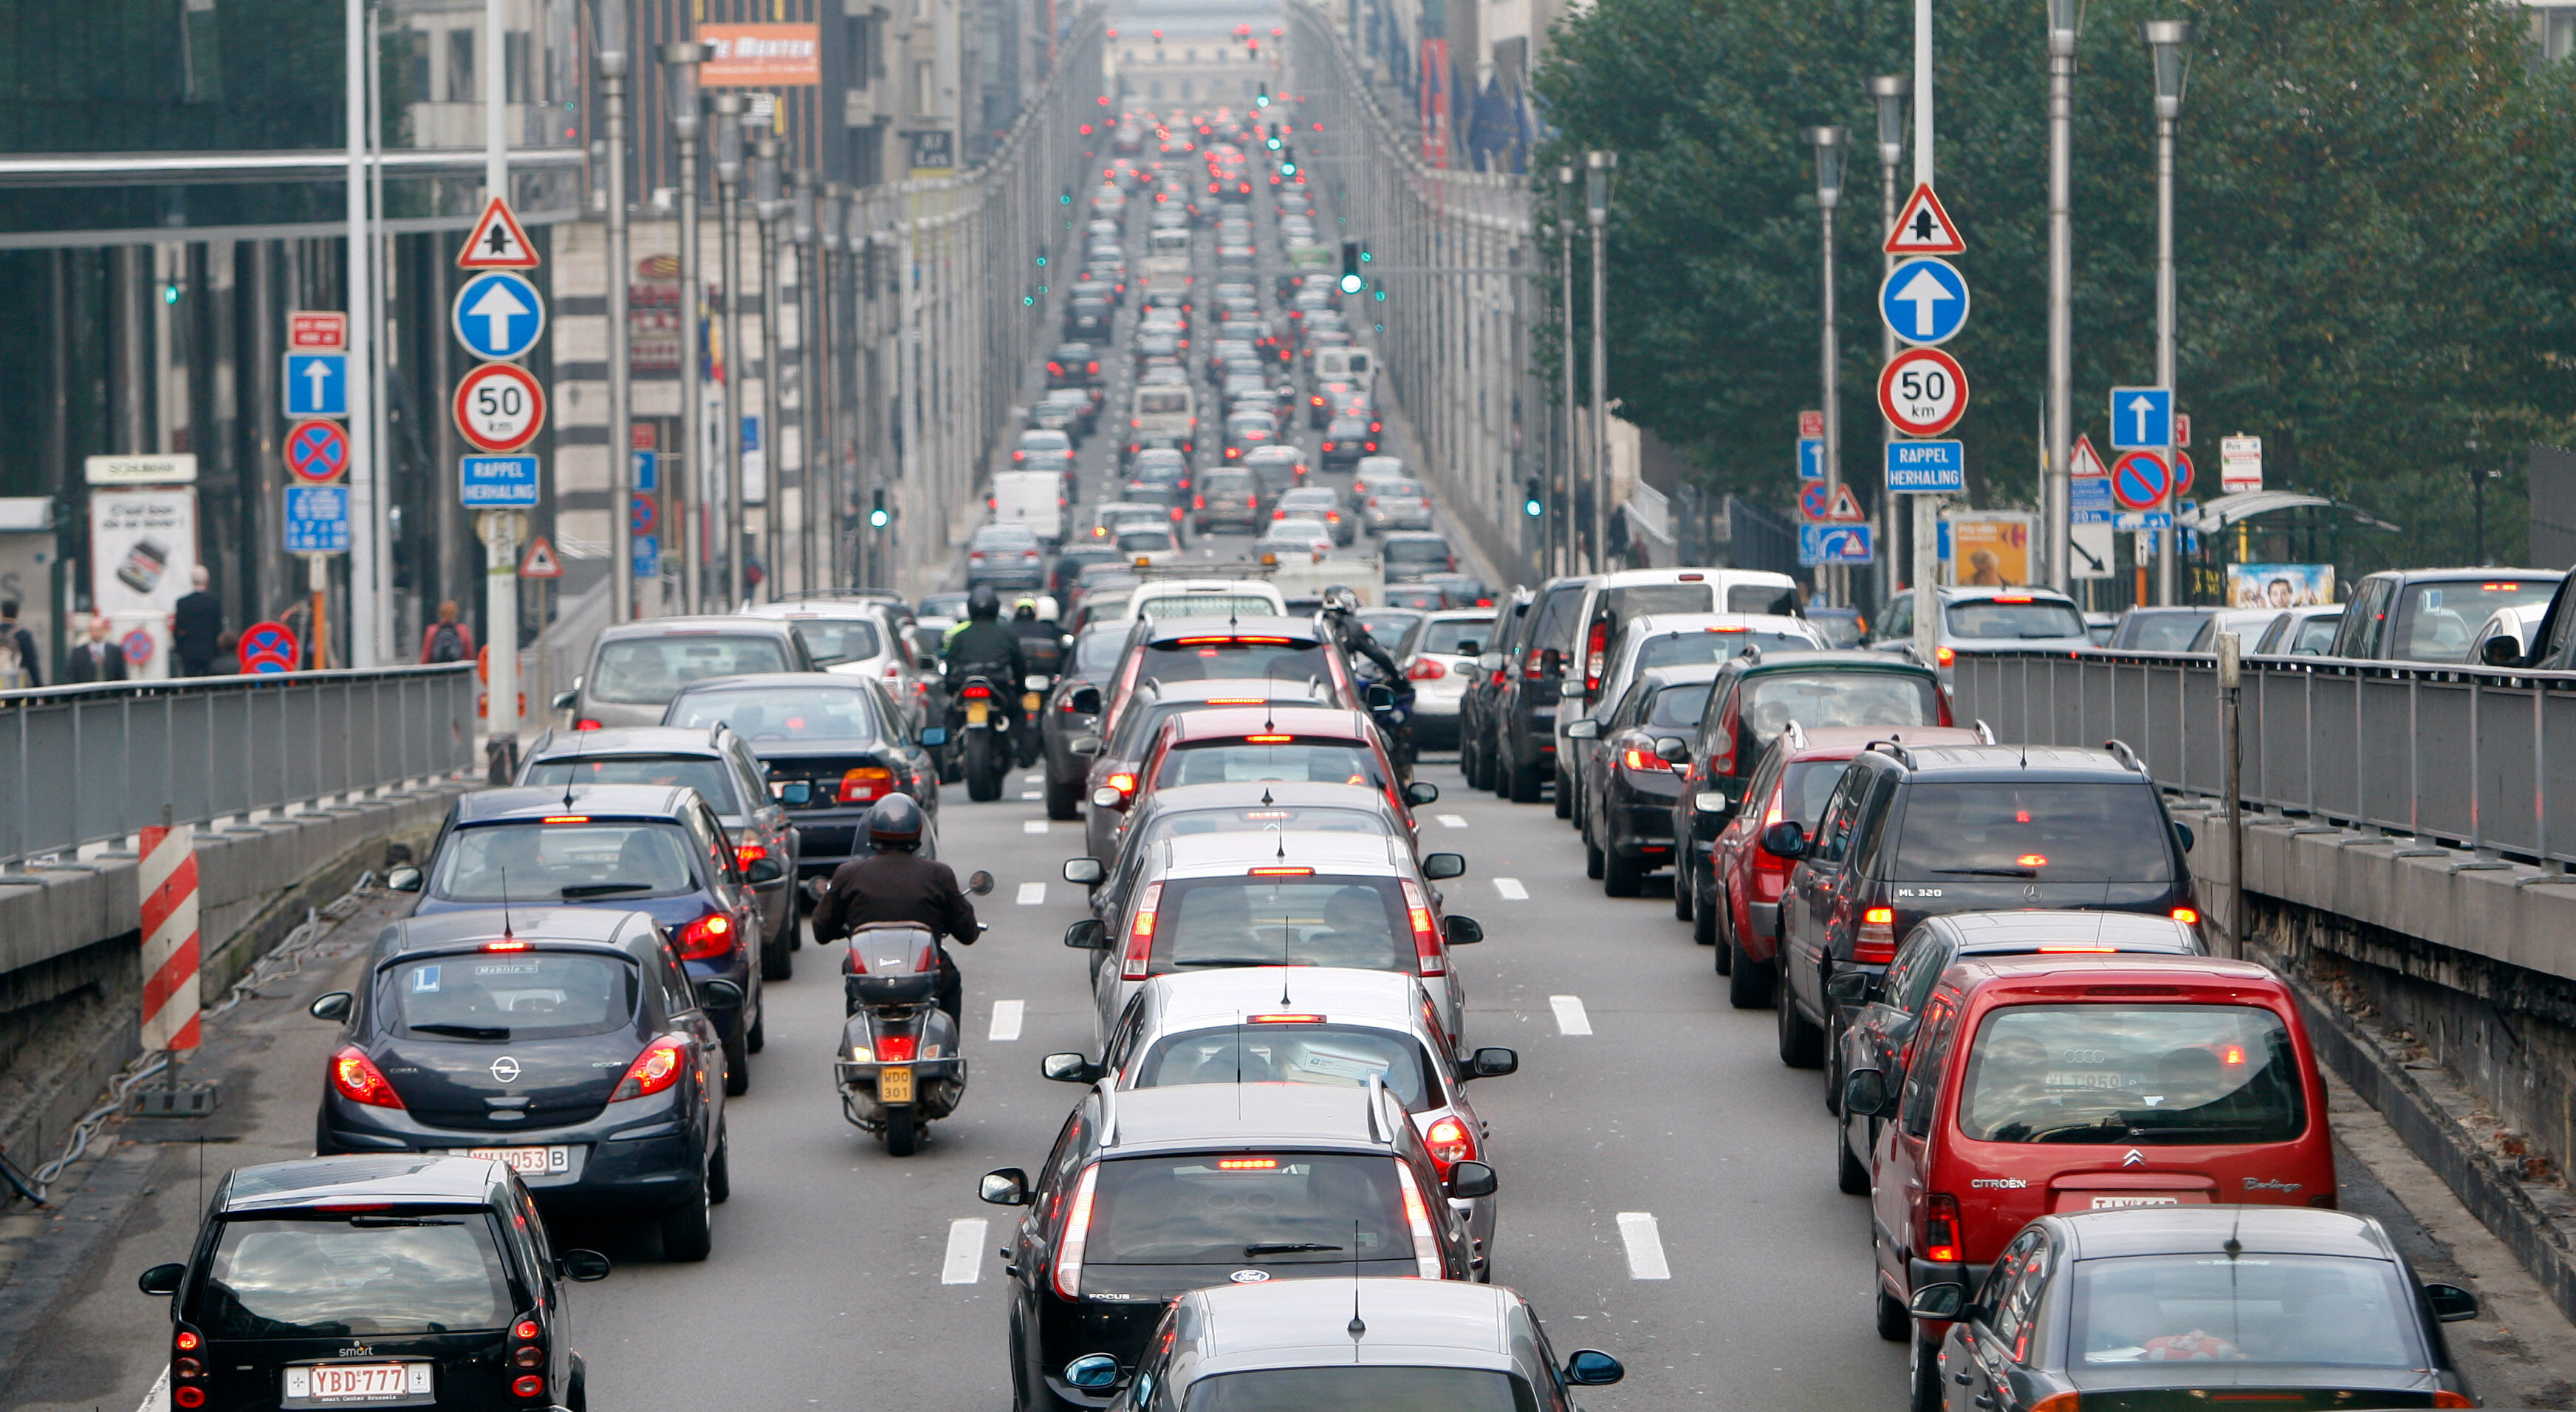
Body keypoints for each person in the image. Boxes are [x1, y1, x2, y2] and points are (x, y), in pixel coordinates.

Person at [810, 795, 977, 1021]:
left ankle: (856, 1036)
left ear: (872, 830)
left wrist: (844, 928)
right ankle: (949, 1043)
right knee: (951, 980)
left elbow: (822, 931)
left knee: (855, 992)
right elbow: (967, 933)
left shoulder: (848, 874)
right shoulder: (939, 874)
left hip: (869, 983)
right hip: (926, 984)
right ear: (918, 830)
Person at [942, 584, 1027, 690]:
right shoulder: (1007, 635)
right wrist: (1021, 688)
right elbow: (1019, 664)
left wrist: (950, 687)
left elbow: (950, 665)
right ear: (996, 607)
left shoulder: (960, 636)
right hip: (998, 684)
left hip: (968, 684)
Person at [171, 566, 223, 677]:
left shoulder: (182, 603)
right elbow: (218, 629)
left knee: (190, 683)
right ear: (207, 581)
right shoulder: (214, 603)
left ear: (192, 581)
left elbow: (177, 629)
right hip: (209, 651)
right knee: (208, 683)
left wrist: (180, 647)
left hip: (189, 652)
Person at [66, 614, 128, 684]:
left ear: (104, 630)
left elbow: (122, 676)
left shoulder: (115, 651)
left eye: (99, 629)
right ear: (89, 631)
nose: (96, 632)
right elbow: (72, 676)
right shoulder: (78, 653)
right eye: (93, 629)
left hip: (110, 689)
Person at [420, 600, 476, 665]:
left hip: (438, 669)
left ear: (440, 614)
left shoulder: (432, 630)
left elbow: (426, 656)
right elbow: (470, 654)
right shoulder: (463, 630)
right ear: (455, 613)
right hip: (459, 668)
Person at [0, 601, 38, 688]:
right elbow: (32, 664)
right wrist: (38, 686)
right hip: (16, 684)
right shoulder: (23, 635)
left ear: (2, 613)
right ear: (17, 615)